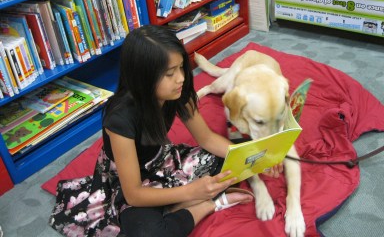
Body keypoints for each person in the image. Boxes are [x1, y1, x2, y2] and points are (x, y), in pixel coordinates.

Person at [49, 25, 282, 237]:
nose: (181, 78)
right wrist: (194, 193)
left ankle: (179, 202)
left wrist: (255, 154)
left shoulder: (178, 93)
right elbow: (134, 194)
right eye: (170, 73)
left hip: (164, 161)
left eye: (181, 67)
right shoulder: (120, 118)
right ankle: (209, 204)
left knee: (233, 162)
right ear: (144, 77)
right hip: (129, 181)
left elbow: (208, 139)